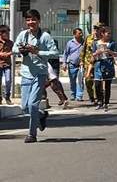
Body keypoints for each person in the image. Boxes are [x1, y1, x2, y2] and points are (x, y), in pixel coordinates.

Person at [13, 9, 59, 143]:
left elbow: (55, 52)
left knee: (33, 104)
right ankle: (41, 115)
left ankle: (32, 134)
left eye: (33, 19)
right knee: (24, 107)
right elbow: (14, 49)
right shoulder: (23, 35)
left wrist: (38, 52)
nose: (30, 22)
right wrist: (21, 50)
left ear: (39, 20)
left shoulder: (45, 36)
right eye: (28, 20)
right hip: (26, 73)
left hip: (40, 74)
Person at [87, 26, 117, 111]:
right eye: (108, 33)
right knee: (97, 84)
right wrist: (96, 53)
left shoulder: (112, 43)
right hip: (98, 64)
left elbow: (116, 53)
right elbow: (92, 54)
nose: (109, 35)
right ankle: (100, 101)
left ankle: (106, 102)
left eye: (110, 34)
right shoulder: (96, 43)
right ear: (102, 34)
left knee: (107, 85)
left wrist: (110, 51)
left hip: (108, 64)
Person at [44, 31, 69, 109]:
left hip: (52, 64)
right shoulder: (39, 42)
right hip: (44, 64)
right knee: (45, 83)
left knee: (54, 82)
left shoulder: (53, 42)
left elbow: (53, 53)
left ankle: (63, 99)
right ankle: (44, 100)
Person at [80, 24, 101, 105]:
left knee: (97, 81)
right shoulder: (88, 38)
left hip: (98, 63)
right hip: (88, 63)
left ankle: (98, 97)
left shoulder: (101, 39)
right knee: (88, 80)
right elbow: (83, 49)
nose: (95, 31)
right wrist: (81, 60)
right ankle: (91, 97)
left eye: (97, 29)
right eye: (95, 29)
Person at [63, 28, 84, 102]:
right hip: (72, 64)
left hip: (81, 65)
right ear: (74, 34)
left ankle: (79, 96)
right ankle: (73, 94)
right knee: (72, 81)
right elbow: (65, 53)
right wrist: (64, 63)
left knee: (80, 80)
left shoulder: (84, 42)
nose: (81, 34)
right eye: (79, 33)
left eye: (81, 33)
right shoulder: (70, 43)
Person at [0, 25, 14, 105]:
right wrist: (2, 54)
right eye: (6, 33)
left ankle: (7, 96)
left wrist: (9, 53)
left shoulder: (10, 42)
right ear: (1, 33)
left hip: (7, 64)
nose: (8, 35)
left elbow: (14, 50)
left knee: (8, 80)